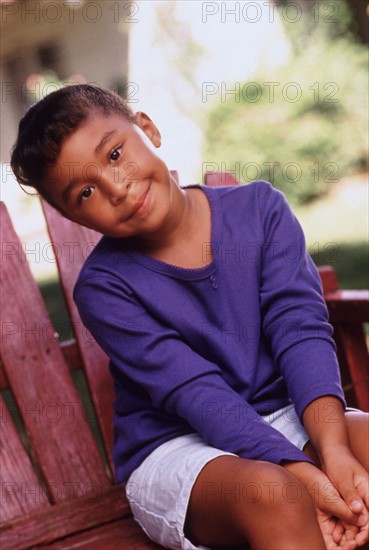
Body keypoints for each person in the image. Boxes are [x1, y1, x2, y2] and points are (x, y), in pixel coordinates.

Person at [10, 84, 369, 550]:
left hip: (285, 414)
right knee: (274, 493)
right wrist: (303, 473)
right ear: (77, 219)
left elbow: (299, 331)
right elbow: (196, 394)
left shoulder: (260, 211)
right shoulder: (105, 289)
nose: (116, 188)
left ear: (148, 130)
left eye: (115, 154)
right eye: (85, 192)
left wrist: (333, 452)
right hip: (178, 446)